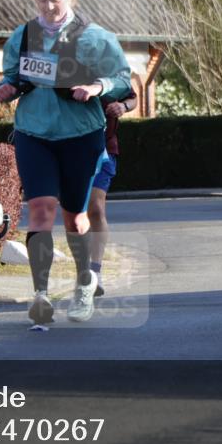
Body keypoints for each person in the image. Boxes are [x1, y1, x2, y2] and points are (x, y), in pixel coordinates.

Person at [0, 0, 132, 326]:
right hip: (34, 134)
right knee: (40, 210)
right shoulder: (23, 36)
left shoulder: (95, 37)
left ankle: (85, 282)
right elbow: (9, 78)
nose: (49, 7)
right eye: (42, 1)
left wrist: (97, 86)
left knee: (76, 217)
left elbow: (122, 78)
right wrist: (3, 89)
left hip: (80, 136)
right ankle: (40, 294)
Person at [87, 86, 138, 296]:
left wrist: (123, 106)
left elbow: (132, 98)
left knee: (96, 209)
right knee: (76, 211)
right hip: (69, 147)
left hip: (104, 148)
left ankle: (94, 271)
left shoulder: (111, 64)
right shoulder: (67, 62)